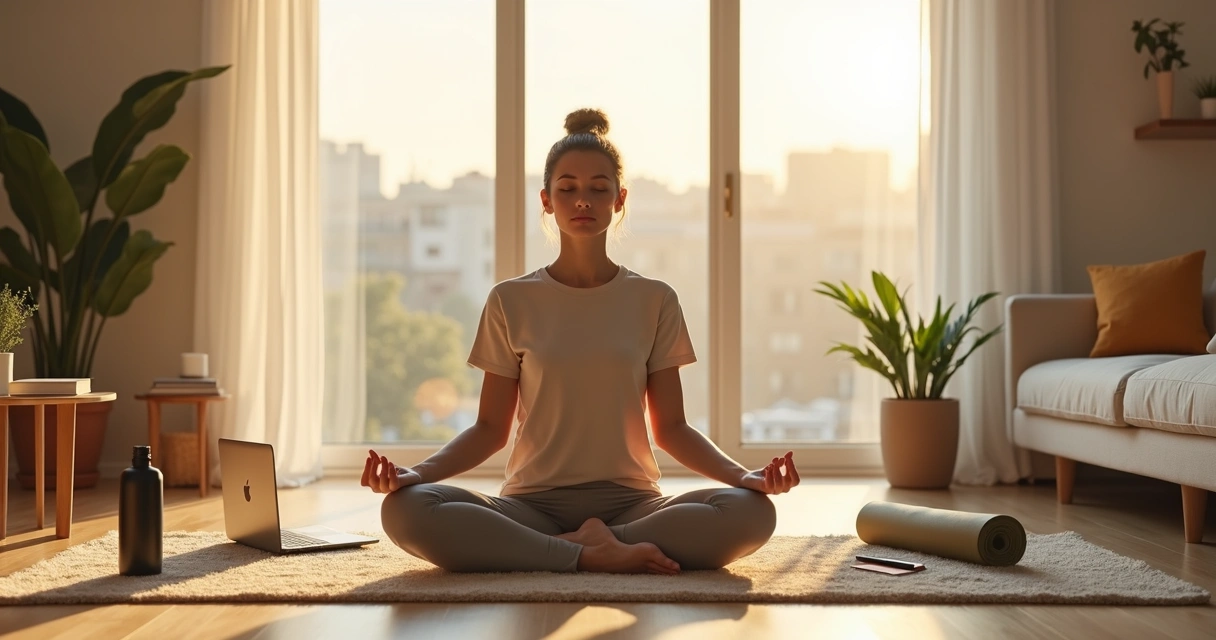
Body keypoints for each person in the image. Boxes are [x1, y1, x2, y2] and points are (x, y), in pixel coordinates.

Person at [361, 108, 801, 574]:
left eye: (598, 188)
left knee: (751, 512)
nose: (583, 201)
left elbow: (672, 428)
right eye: (567, 189)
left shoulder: (655, 299)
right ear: (547, 200)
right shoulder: (510, 300)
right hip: (532, 505)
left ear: (620, 198)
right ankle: (592, 553)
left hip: (632, 504)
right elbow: (490, 428)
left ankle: (560, 550)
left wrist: (744, 476)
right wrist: (417, 474)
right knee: (406, 509)